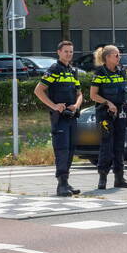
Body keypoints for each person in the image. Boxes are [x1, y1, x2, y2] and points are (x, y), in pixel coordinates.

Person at [34, 41, 83, 197]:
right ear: (59, 52)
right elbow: (38, 90)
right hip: (59, 118)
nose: (69, 54)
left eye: (71, 51)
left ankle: (66, 182)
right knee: (61, 150)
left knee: (70, 150)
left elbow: (79, 93)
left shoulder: (72, 71)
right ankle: (61, 185)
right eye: (66, 51)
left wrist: (76, 105)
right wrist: (54, 106)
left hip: (71, 117)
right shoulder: (54, 69)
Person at [88, 45, 127, 190]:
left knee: (119, 145)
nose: (119, 58)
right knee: (106, 146)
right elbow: (93, 95)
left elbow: (124, 94)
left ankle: (119, 178)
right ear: (107, 57)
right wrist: (108, 103)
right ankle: (102, 178)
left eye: (119, 55)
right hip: (105, 114)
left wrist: (126, 111)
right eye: (116, 55)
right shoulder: (100, 73)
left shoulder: (121, 71)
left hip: (120, 113)